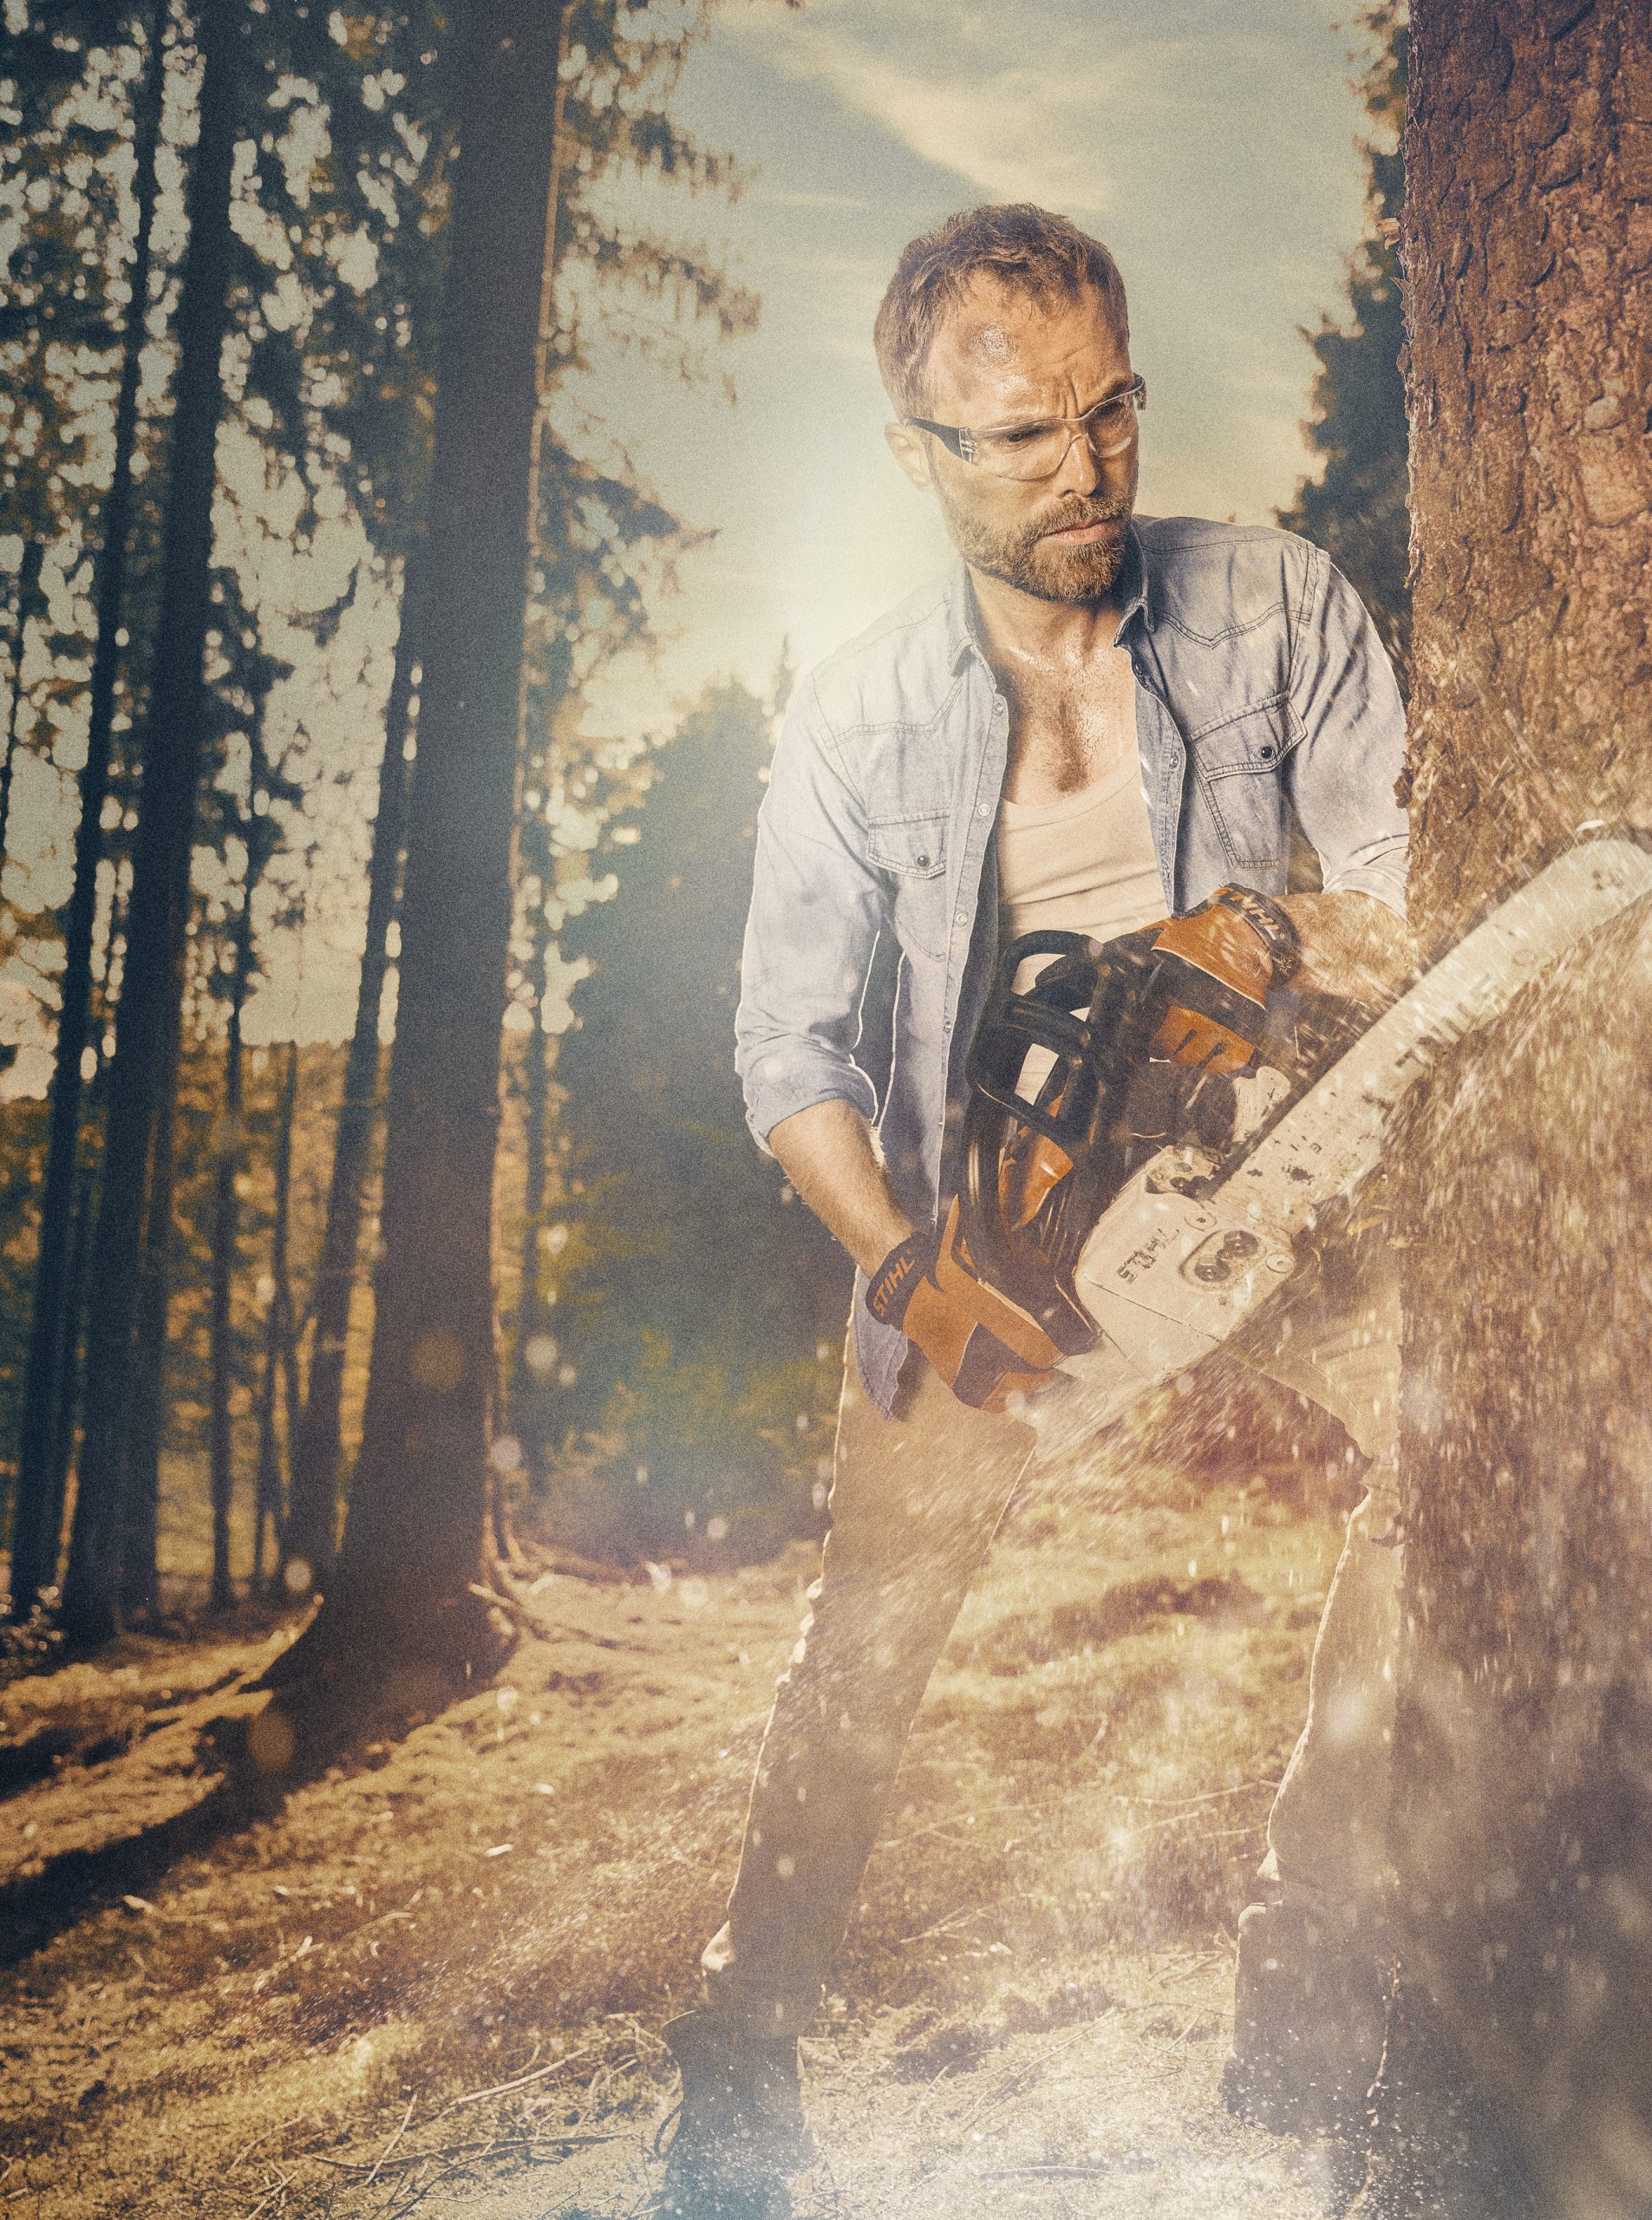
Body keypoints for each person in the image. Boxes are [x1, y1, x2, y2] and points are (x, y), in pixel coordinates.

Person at [652, 203, 1414, 2220]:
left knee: (1458, 1465)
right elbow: (786, 1047)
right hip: (995, 1238)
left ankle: (1310, 1952)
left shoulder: (1274, 605)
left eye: (1111, 410)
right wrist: (906, 1258)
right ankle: (738, 2050)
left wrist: (1268, 938)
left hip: (1272, 1186)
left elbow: (1410, 879)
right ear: (915, 452)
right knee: (861, 1654)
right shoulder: (858, 709)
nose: (1084, 468)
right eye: (1019, 437)